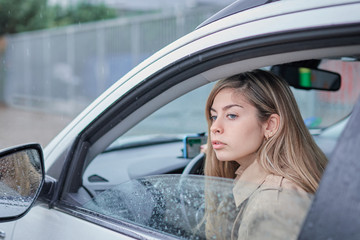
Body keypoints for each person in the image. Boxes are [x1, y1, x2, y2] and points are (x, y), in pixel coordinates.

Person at [203, 69, 328, 240]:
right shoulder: (272, 189)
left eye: (231, 115)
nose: (214, 127)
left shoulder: (273, 203)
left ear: (270, 125)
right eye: (213, 116)